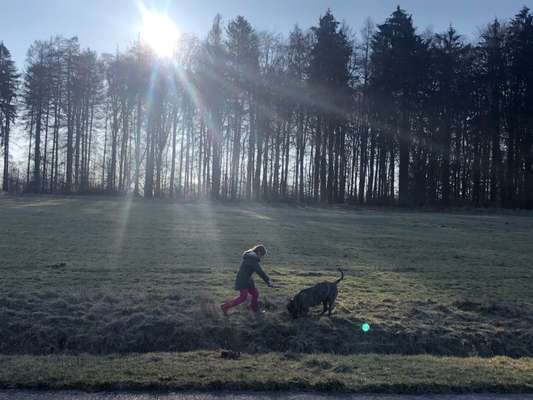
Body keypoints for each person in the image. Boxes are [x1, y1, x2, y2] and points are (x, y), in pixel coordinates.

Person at [221, 244, 273, 315]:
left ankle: (255, 309)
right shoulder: (252, 258)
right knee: (243, 297)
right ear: (259, 252)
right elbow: (259, 271)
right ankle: (225, 306)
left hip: (248, 279)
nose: (261, 257)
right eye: (262, 255)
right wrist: (268, 281)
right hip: (243, 279)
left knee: (255, 293)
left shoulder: (251, 257)